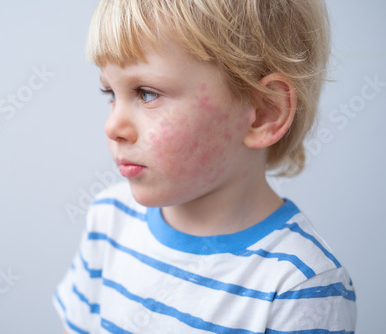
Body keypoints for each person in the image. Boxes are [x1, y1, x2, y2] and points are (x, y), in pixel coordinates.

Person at [54, 0, 357, 332]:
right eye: (110, 91)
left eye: (147, 93)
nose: (112, 126)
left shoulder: (299, 283)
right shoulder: (109, 219)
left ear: (264, 112)